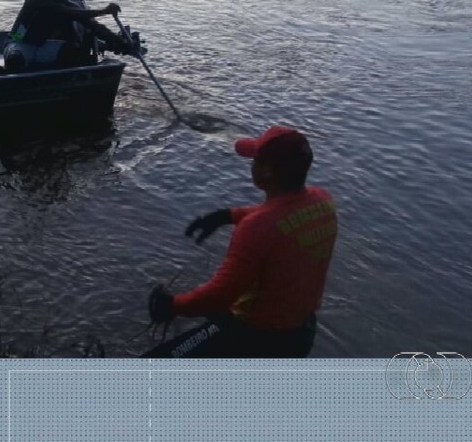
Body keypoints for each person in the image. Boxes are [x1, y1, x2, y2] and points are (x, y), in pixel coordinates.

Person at [145, 126, 339, 358]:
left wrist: (172, 306)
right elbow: (283, 215)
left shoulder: (256, 228)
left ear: (266, 171)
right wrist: (226, 216)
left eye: (255, 160)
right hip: (301, 333)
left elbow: (220, 294)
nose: (251, 165)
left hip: (255, 336)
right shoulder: (322, 201)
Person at [1, 0, 133, 71]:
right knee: (15, 59)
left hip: (41, 45)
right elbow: (66, 12)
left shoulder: (68, 5)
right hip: (20, 42)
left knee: (74, 50)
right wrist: (104, 11)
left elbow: (93, 26)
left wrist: (119, 41)